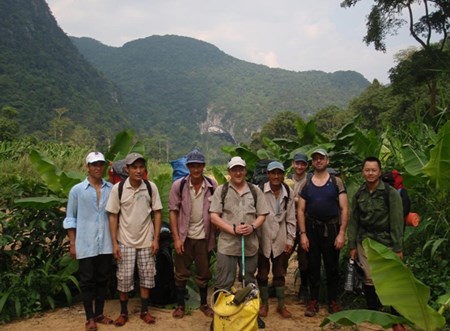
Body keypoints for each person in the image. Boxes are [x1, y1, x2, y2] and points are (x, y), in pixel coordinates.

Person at [348, 156, 405, 331]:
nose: (370, 173)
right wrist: (352, 245)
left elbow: (397, 221)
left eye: (373, 170)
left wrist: (398, 247)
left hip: (386, 241)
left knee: (391, 279)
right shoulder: (359, 194)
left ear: (379, 172)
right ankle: (374, 313)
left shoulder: (390, 193)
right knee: (369, 277)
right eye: (367, 170)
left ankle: (395, 316)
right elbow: (354, 221)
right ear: (363, 172)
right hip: (365, 242)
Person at [106, 152, 163, 326]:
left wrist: (156, 240)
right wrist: (114, 243)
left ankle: (145, 311)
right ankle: (123, 313)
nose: (138, 171)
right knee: (124, 278)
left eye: (141, 167)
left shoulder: (150, 187)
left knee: (147, 277)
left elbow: (157, 212)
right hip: (125, 241)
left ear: (144, 169)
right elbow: (113, 216)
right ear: (127, 169)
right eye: (134, 167)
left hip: (146, 240)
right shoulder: (118, 188)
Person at [63, 151, 114, 331]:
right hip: (85, 243)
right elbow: (70, 218)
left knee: (102, 279)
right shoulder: (77, 190)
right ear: (88, 167)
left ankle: (99, 314)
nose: (98, 167)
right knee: (86, 281)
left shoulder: (111, 188)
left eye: (101, 164)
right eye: (94, 164)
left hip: (106, 243)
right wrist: (72, 242)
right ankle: (89, 317)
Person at [298, 148, 348, 317]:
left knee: (331, 265)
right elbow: (300, 209)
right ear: (312, 162)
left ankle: (333, 300)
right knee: (313, 265)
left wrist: (341, 233)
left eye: (321, 158)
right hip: (312, 228)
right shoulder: (307, 182)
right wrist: (303, 234)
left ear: (327, 161)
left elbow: (344, 208)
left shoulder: (336, 182)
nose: (318, 161)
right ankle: (313, 301)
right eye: (315, 159)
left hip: (332, 228)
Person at [168, 148, 217, 319]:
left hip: (204, 238)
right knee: (181, 272)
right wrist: (176, 238)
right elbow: (173, 211)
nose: (196, 170)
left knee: (204, 273)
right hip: (185, 237)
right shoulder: (179, 185)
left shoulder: (212, 186)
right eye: (192, 166)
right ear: (188, 167)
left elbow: (217, 212)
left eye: (199, 166)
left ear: (204, 166)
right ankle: (180, 305)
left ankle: (204, 304)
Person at [210, 156, 269, 291]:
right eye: (234, 170)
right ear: (229, 172)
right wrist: (232, 229)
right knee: (223, 280)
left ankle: (249, 310)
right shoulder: (221, 190)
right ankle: (223, 310)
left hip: (249, 245)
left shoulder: (255, 190)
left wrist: (253, 226)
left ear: (245, 171)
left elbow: (262, 214)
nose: (238, 173)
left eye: (240, 169)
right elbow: (214, 216)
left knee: (248, 280)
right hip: (227, 245)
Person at [256, 161, 296, 318]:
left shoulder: (288, 192)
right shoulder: (259, 191)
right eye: (273, 173)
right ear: (268, 174)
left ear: (283, 175)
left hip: (280, 237)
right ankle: (264, 304)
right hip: (262, 238)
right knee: (262, 273)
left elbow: (291, 217)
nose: (276, 176)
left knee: (279, 273)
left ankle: (281, 305)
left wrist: (290, 240)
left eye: (279, 173)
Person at [291, 153, 310, 303]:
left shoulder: (310, 181)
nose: (299, 167)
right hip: (289, 225)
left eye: (302, 164)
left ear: (306, 166)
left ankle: (304, 288)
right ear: (293, 164)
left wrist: (295, 200)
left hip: (305, 225)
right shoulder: (287, 181)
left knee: (304, 259)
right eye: (297, 163)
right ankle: (277, 285)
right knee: (282, 256)